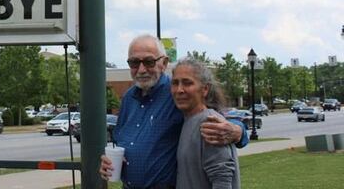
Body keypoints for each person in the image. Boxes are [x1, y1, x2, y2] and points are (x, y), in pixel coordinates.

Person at [99, 34, 247, 188]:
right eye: (134, 63)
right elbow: (121, 140)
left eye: (149, 62)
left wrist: (238, 131)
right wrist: (109, 162)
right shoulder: (129, 98)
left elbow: (213, 119)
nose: (141, 69)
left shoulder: (177, 93)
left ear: (163, 63)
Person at [171, 57, 240, 189]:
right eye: (175, 83)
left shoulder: (210, 123)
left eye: (187, 83)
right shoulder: (188, 120)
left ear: (205, 89)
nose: (179, 90)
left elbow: (222, 182)